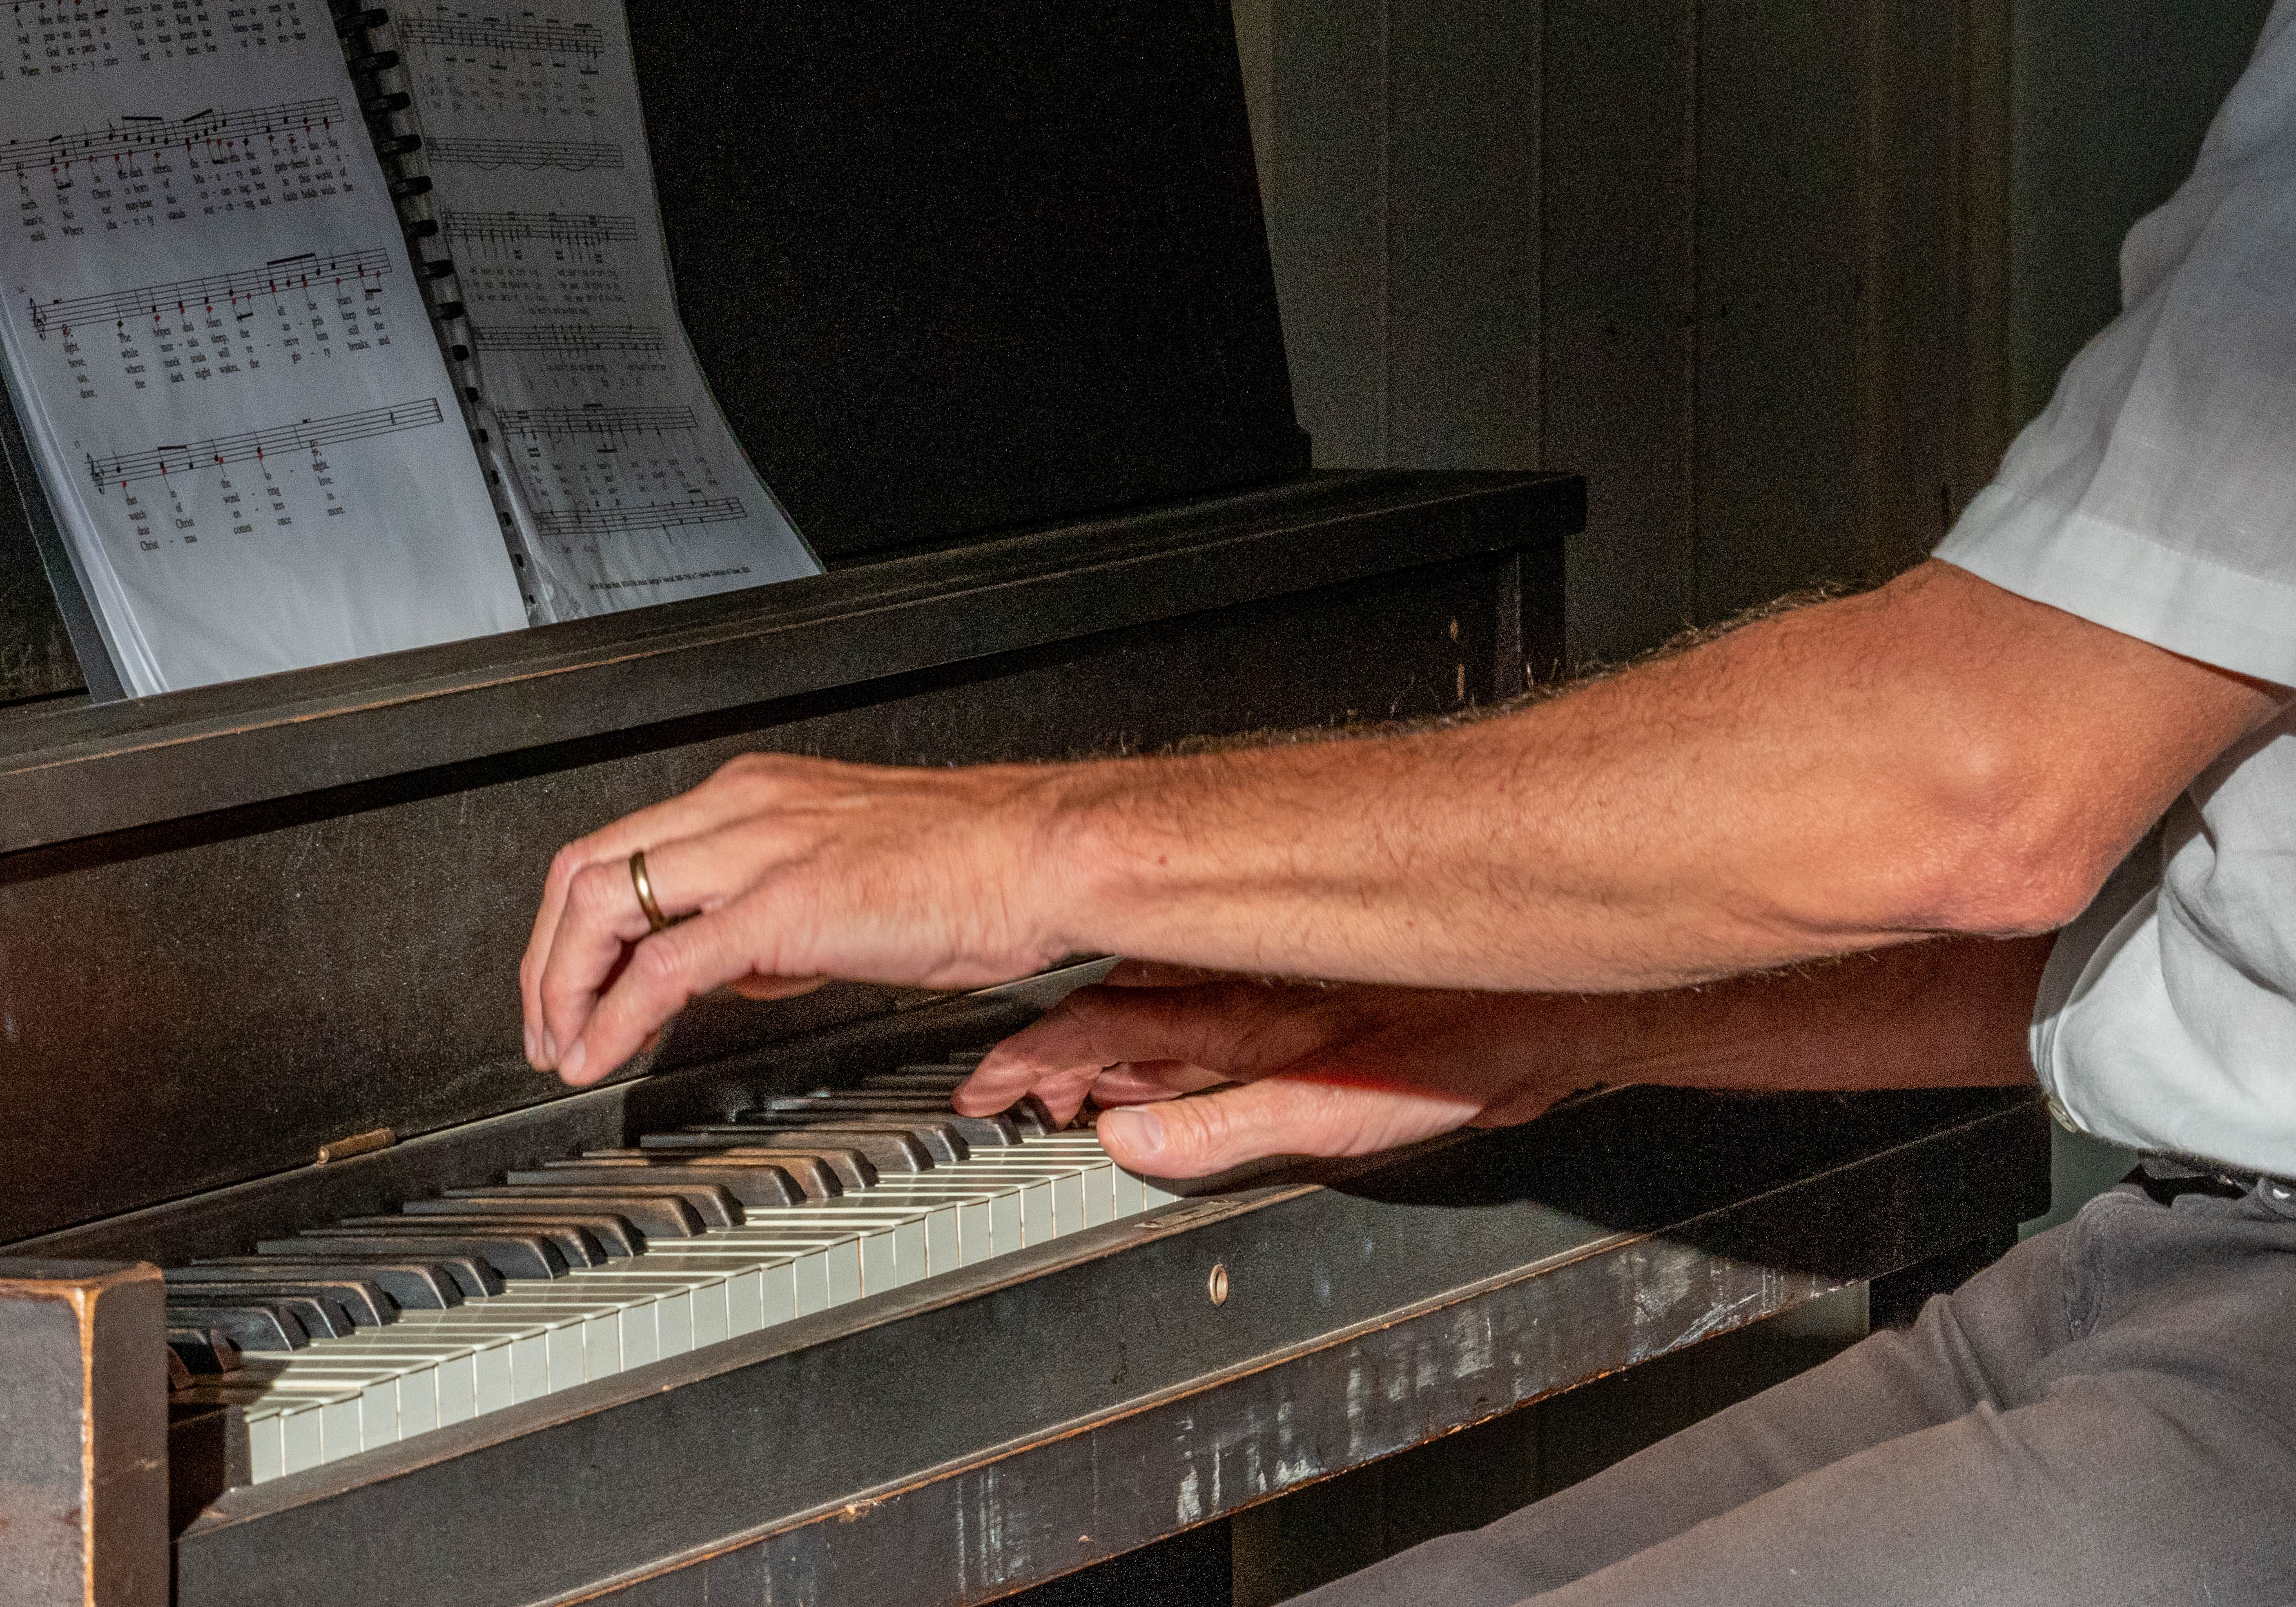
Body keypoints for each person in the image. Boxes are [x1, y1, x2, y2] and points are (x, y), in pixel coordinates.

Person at [519, 5, 2296, 1599]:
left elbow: (1978, 796)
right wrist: (1534, 1016)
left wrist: (1025, 848)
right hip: (2175, 1257)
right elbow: (2183, 927)